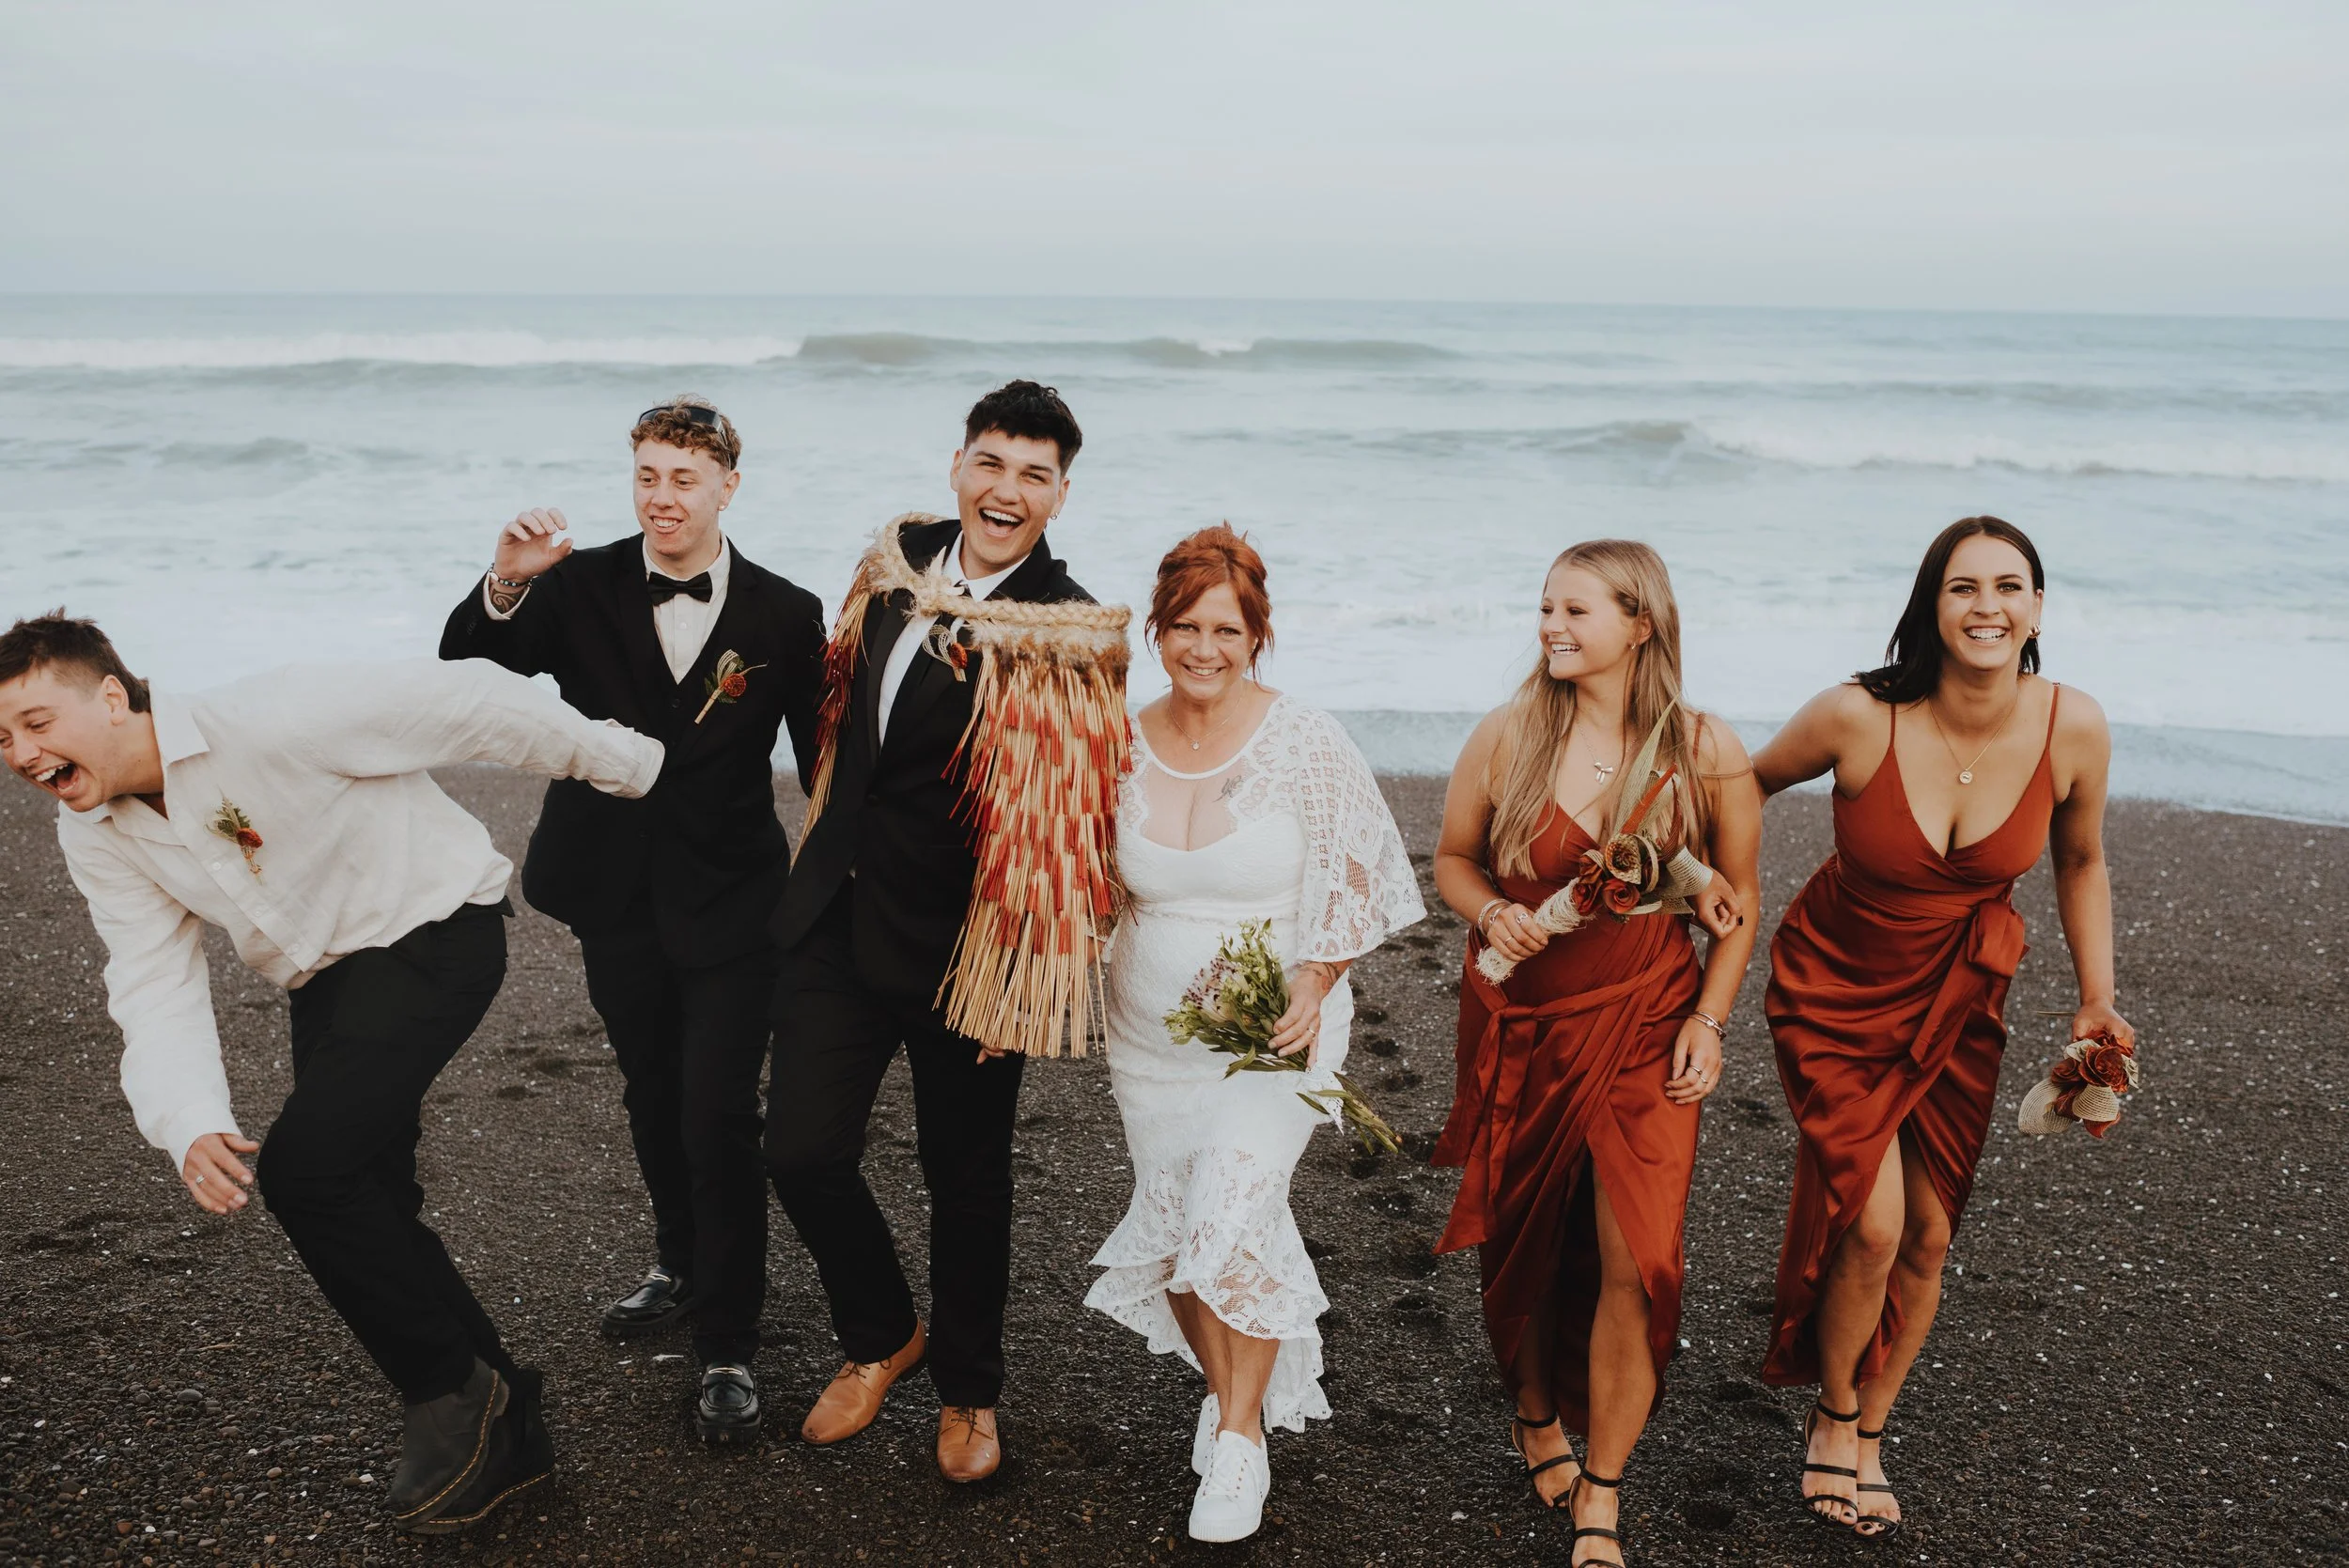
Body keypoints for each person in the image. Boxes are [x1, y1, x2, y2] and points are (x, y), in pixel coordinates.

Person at [0, 613, 665, 1535]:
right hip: (324, 972)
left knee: (308, 1171)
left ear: (112, 697)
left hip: (434, 926)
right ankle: (509, 1419)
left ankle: (449, 1395)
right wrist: (187, 1114)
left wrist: (624, 764)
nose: (20, 752)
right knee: (369, 1194)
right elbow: (150, 978)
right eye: (1, 737)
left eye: (36, 722)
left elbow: (467, 701)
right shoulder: (96, 833)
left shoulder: (271, 715)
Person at [438, 396, 825, 1439]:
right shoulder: (579, 586)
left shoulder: (787, 615)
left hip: (736, 901)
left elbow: (829, 765)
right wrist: (509, 577)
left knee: (717, 1116)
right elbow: (472, 664)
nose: (663, 498)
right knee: (653, 1092)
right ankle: (681, 1260)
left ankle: (730, 1343)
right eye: (648, 476)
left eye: (683, 479)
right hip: (613, 893)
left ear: (728, 486)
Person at [764, 381, 1130, 1483]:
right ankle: (883, 1335)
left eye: (1031, 473)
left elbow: (1073, 821)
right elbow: (836, 716)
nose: (1004, 489)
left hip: (970, 944)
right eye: (989, 462)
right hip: (836, 910)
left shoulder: (1063, 634)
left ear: (1061, 494)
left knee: (965, 1177)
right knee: (800, 1151)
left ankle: (969, 1390)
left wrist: (1021, 973)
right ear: (957, 466)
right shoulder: (895, 567)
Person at [1754, 516, 2129, 1538]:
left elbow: (2080, 859)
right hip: (1833, 989)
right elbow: (1738, 785)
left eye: (2009, 587)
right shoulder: (1853, 716)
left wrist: (2096, 996)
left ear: (2037, 608)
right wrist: (1712, 902)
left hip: (1961, 1001)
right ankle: (1832, 1422)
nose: (1986, 607)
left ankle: (1872, 1426)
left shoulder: (2075, 726)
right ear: (1930, 605)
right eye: (1963, 587)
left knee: (1924, 1233)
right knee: (1871, 1223)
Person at [1083, 525, 1423, 1543]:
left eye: (1225, 627)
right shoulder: (1119, 738)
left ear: (1256, 633)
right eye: (1184, 625)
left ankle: (1239, 1441)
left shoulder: (1303, 738)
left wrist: (1317, 981)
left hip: (1275, 1033)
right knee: (1181, 1223)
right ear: (1157, 628)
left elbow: (1360, 874)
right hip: (1147, 1044)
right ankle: (1228, 1397)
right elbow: (1093, 886)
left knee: (1226, 1208)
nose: (1203, 646)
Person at [1430, 541, 1761, 1568]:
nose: (1549, 627)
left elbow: (1735, 910)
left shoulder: (1703, 750)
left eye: (1574, 609)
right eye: (1542, 609)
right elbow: (1451, 859)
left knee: (1641, 1257)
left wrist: (1708, 1019)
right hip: (1524, 1025)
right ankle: (1536, 1414)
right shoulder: (1509, 735)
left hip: (1646, 1027)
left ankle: (1603, 1490)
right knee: (1525, 1236)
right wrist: (1493, 910)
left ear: (1640, 623)